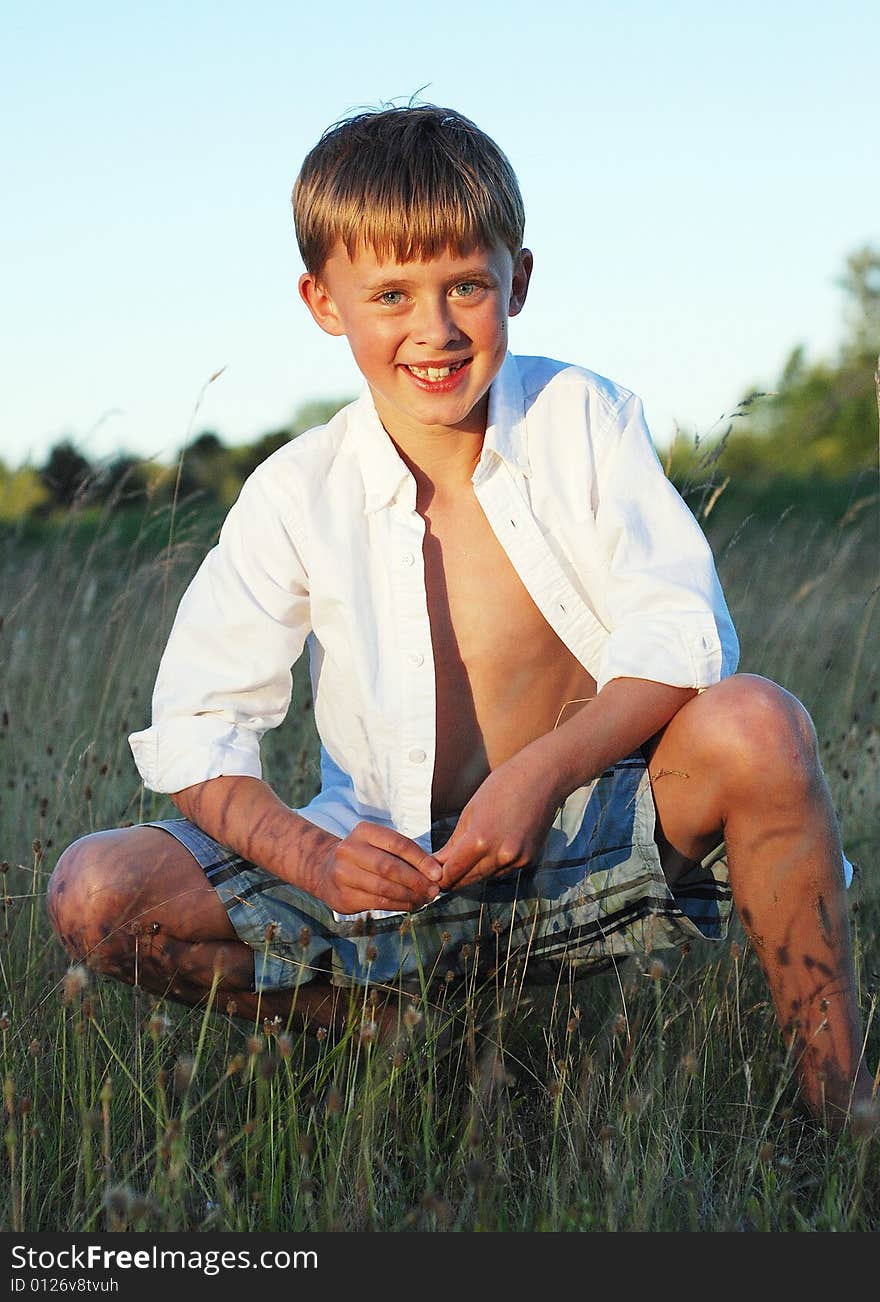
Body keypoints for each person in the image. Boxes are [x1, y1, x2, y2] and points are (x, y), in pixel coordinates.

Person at [47, 103, 872, 1127]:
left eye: (465, 288)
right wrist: (317, 859)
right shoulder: (296, 490)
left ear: (515, 280)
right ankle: (369, 1027)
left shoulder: (582, 417)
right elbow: (201, 730)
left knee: (759, 719)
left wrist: (539, 773)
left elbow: (683, 636)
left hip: (581, 841)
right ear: (323, 302)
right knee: (95, 889)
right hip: (381, 864)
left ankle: (840, 1106)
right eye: (389, 293)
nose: (433, 329)